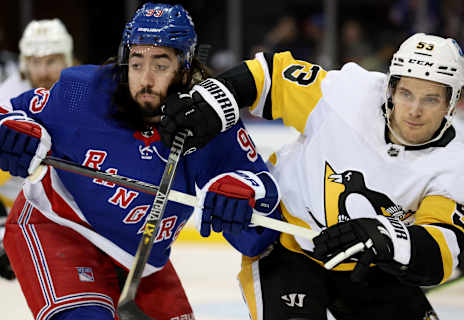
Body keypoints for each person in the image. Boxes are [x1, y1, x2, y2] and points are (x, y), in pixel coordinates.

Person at [158, 33, 464, 319]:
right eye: (406, 93)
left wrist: (387, 236)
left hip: (370, 266)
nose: (414, 110)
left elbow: (439, 252)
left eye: (431, 99)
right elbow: (272, 76)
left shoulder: (460, 166)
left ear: (452, 102)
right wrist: (218, 97)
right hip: (289, 246)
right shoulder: (347, 95)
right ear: (391, 87)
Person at [0, 3, 280, 320]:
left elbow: (261, 193)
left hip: (141, 261)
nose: (145, 79)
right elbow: (10, 114)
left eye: (160, 66)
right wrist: (12, 132)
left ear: (185, 68)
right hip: (58, 227)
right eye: (136, 64)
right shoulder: (83, 92)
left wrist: (243, 192)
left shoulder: (213, 119)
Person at [0, 18, 75, 282]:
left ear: (67, 60)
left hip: (74, 218)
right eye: (35, 61)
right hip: (21, 216)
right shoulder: (6, 103)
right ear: (23, 63)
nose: (43, 71)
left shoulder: (83, 94)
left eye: (51, 61)